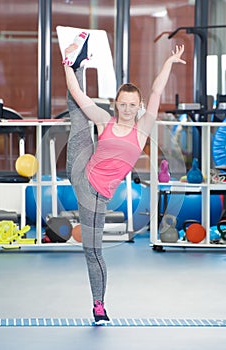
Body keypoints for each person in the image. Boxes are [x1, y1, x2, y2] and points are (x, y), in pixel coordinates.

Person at [62, 32, 186, 325]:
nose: (128, 109)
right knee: (79, 111)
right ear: (116, 104)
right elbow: (79, 96)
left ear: (139, 105)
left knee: (92, 252)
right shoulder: (106, 121)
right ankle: (76, 62)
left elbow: (156, 92)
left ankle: (98, 306)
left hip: (96, 198)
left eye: (133, 104)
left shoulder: (141, 129)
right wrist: (66, 66)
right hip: (80, 173)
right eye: (123, 104)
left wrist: (168, 61)